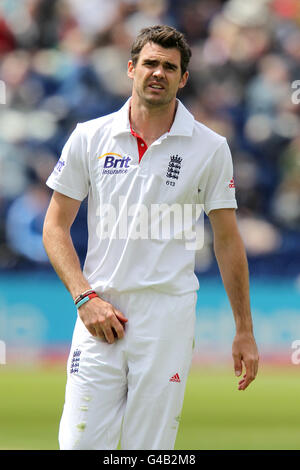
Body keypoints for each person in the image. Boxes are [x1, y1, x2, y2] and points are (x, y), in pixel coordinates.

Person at [43, 24, 259, 450]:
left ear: (184, 78)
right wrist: (85, 297)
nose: (158, 73)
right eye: (150, 63)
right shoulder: (90, 136)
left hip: (168, 317)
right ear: (131, 69)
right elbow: (55, 226)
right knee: (78, 445)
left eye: (169, 67)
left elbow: (228, 240)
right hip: (99, 311)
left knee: (151, 451)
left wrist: (244, 330)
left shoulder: (210, 147)